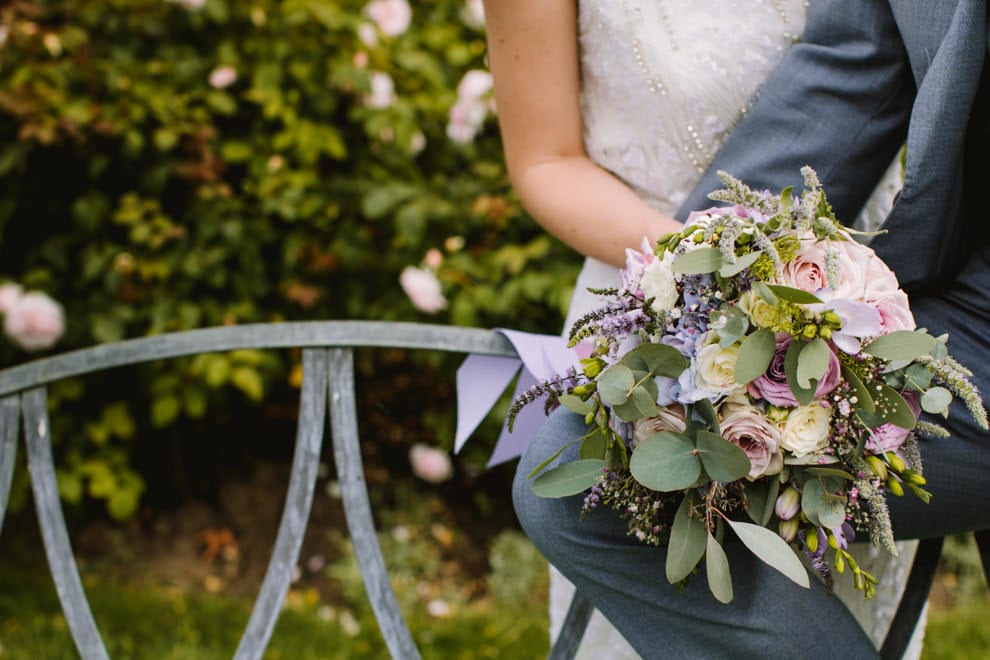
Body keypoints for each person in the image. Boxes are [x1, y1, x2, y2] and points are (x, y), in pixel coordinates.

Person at [486, 0, 990, 657]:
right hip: (853, 295)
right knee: (587, 475)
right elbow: (848, 70)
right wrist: (713, 284)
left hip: (881, 286)